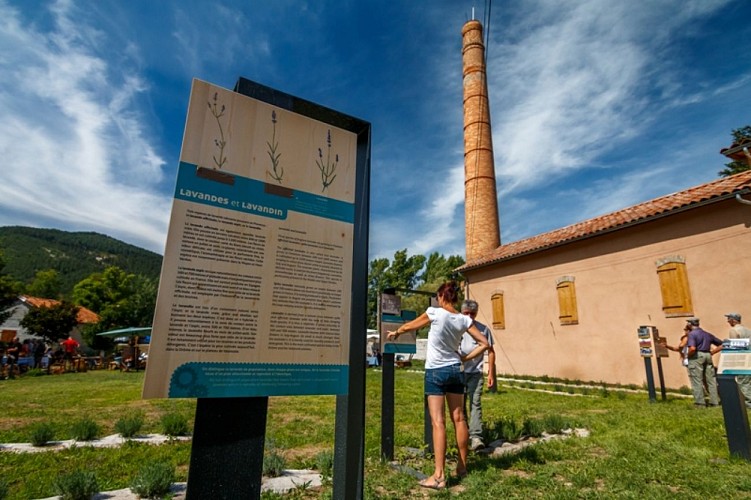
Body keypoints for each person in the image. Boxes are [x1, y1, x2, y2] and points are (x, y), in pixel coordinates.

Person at [387, 281, 489, 489]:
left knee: (438, 422)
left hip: (435, 372)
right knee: (459, 418)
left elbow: (411, 325)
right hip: (456, 370)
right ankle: (462, 467)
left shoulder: (435, 312)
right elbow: (485, 344)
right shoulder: (463, 319)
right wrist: (465, 358)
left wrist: (396, 332)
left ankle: (439, 476)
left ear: (442, 297)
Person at [459, 299, 496, 451]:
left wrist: (491, 373)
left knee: (475, 403)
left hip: (475, 372)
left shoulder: (483, 329)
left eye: (472, 314)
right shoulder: (456, 327)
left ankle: (476, 437)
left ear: (476, 314)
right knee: (459, 406)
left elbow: (491, 351)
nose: (469, 316)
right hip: (458, 372)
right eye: (466, 313)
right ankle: (462, 434)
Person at [686, 317, 722, 407]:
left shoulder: (692, 334)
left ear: (690, 324)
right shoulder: (707, 334)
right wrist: (712, 352)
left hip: (697, 356)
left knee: (697, 379)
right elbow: (722, 344)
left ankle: (700, 402)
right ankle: (715, 401)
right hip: (707, 355)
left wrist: (688, 355)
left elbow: (692, 348)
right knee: (711, 379)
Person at [725, 313, 751, 408]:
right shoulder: (748, 331)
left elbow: (734, 347)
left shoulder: (733, 330)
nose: (728, 321)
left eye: (729, 319)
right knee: (748, 381)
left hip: (742, 358)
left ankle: (748, 403)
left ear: (733, 320)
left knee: (742, 382)